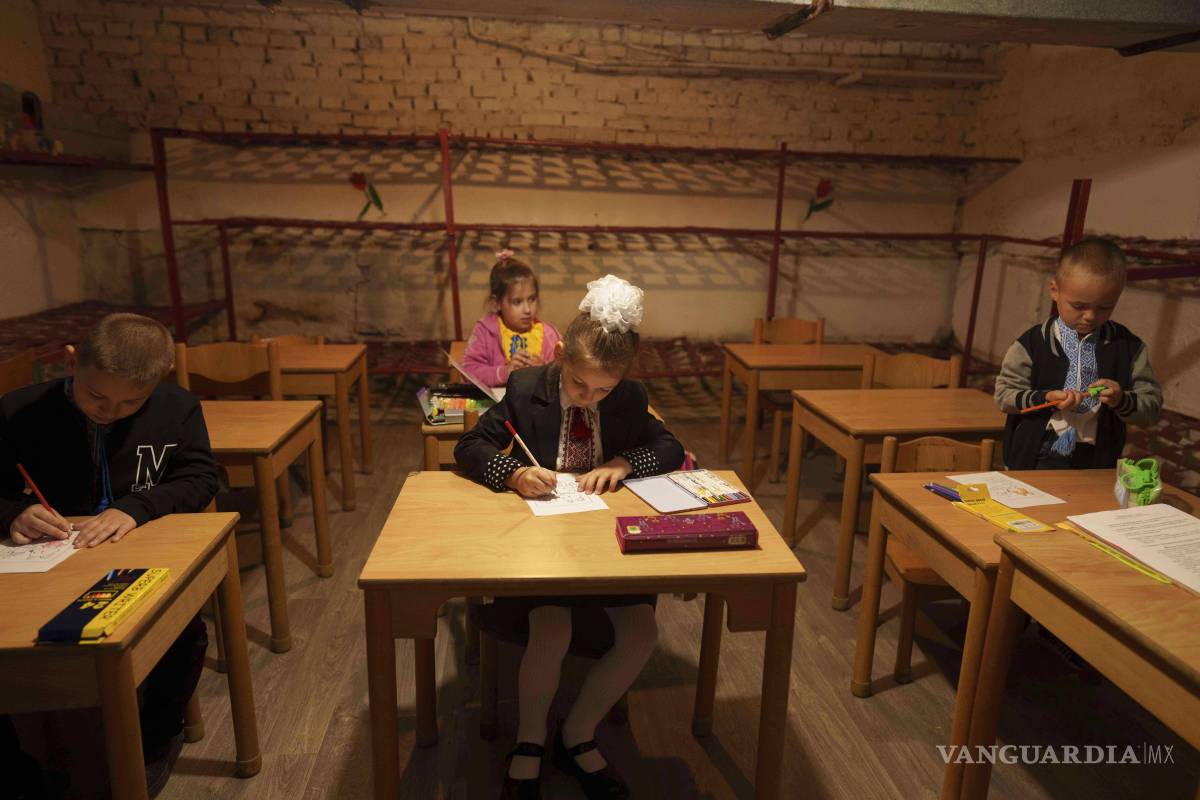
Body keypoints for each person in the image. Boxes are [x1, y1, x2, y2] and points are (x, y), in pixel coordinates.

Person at [456, 275, 684, 799]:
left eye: (603, 390)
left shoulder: (628, 399)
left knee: (642, 632)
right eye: (580, 385)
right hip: (544, 547)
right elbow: (469, 446)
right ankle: (530, 740)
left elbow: (670, 448)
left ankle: (577, 732)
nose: (589, 398)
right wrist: (512, 474)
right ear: (560, 357)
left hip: (606, 547)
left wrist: (626, 462)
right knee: (551, 629)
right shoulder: (525, 388)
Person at [1, 313, 219, 798]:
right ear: (71, 362)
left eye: (130, 403)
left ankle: (155, 739)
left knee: (182, 625)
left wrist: (138, 507)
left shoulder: (176, 408)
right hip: (44, 560)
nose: (109, 412)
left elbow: (202, 477)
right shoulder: (17, 411)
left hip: (138, 551)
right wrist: (14, 513)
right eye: (96, 396)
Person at [994, 237, 1162, 470]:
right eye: (1079, 306)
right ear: (1055, 290)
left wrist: (1121, 399)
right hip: (1037, 451)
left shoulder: (1128, 347)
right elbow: (1004, 396)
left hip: (1098, 455)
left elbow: (1152, 408)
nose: (1091, 316)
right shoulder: (1032, 344)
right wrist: (1046, 398)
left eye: (1104, 307)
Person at [462, 250, 561, 388]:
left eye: (532, 299)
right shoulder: (485, 331)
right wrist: (505, 372)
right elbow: (468, 372)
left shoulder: (548, 335)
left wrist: (544, 371)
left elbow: (564, 373)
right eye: (517, 302)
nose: (527, 309)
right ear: (497, 303)